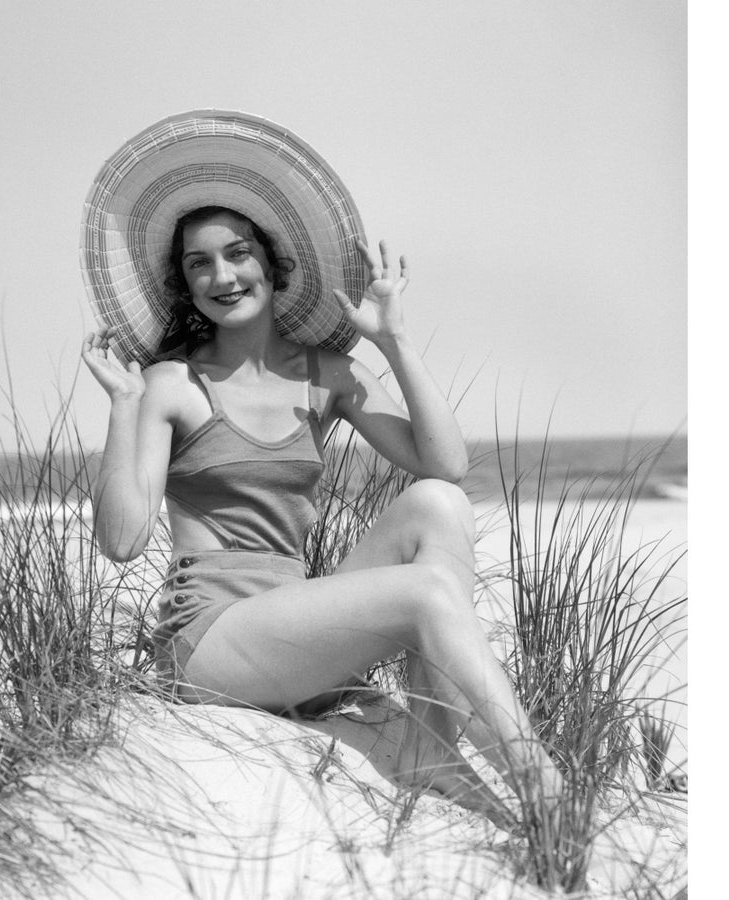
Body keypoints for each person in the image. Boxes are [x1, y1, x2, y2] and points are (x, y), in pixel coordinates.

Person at [80, 111, 562, 828]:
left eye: (237, 253)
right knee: (427, 593)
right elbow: (121, 540)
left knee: (437, 504)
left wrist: (394, 340)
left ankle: (432, 747)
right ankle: (547, 790)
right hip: (214, 642)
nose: (221, 275)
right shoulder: (172, 385)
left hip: (295, 621)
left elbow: (447, 463)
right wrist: (123, 405)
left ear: (272, 265)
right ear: (184, 285)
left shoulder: (324, 376)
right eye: (198, 263)